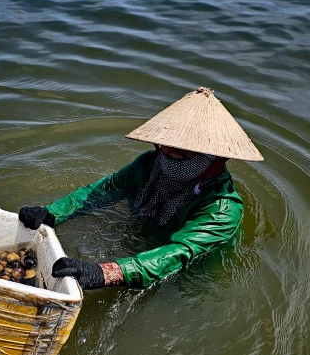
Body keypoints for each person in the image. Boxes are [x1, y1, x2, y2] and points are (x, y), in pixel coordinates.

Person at [18, 87, 264, 290]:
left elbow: (180, 252)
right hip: (144, 228)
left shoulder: (222, 209)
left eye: (185, 151)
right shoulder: (149, 164)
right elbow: (102, 191)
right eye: (167, 145)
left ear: (216, 157)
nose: (170, 153)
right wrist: (52, 213)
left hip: (189, 274)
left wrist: (106, 272)